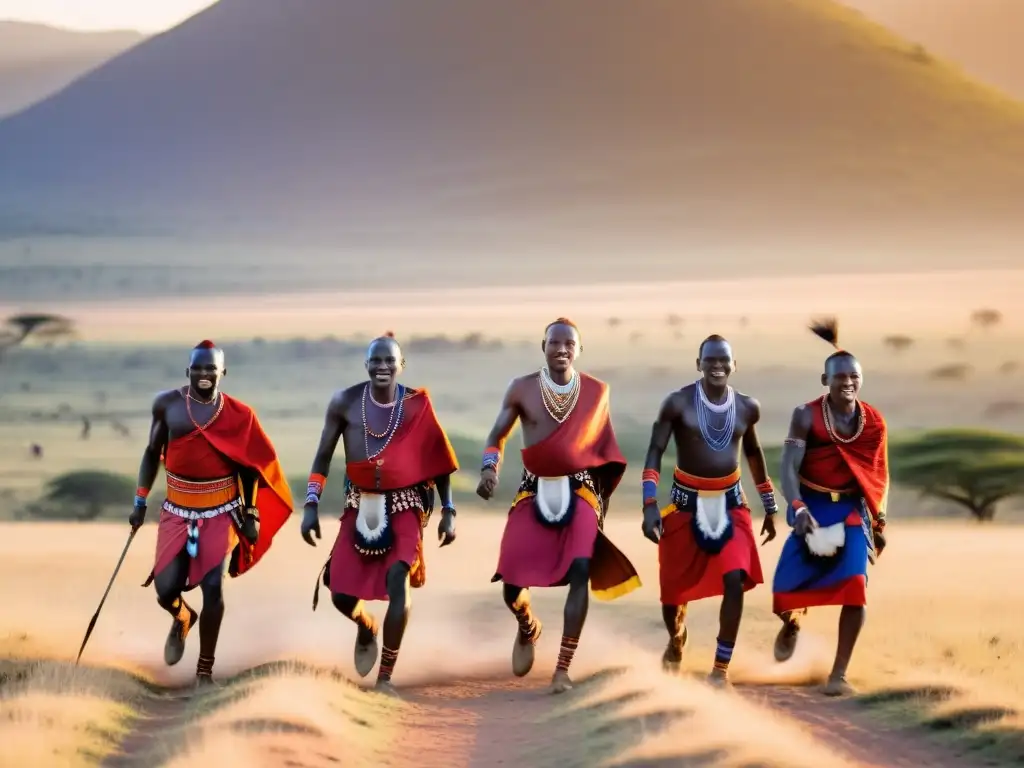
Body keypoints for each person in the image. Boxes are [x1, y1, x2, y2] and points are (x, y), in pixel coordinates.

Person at [478, 318, 641, 695]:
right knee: (511, 580)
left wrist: (601, 497)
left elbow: (603, 450)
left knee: (581, 567)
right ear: (543, 346)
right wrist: (490, 468)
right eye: (555, 342)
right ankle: (528, 626)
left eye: (570, 343)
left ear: (579, 350)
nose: (562, 348)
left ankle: (563, 669)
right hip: (533, 490)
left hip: (580, 490)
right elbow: (496, 435)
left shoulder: (598, 392)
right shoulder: (521, 388)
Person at [301, 333, 459, 695]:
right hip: (360, 503)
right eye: (376, 361)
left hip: (406, 504)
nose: (383, 367)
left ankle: (385, 676)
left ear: (401, 365)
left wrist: (448, 511)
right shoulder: (344, 402)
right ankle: (365, 625)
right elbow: (323, 455)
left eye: (390, 361)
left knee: (398, 579)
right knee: (339, 592)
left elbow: (439, 463)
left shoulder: (417, 406)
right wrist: (310, 504)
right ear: (366, 365)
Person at [130, 340, 294, 685]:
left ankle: (204, 670)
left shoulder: (240, 414)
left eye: (212, 369)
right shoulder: (168, 406)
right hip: (177, 507)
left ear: (223, 373)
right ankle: (182, 617)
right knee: (165, 589)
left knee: (213, 587)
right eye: (199, 368)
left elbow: (251, 467)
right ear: (188, 371)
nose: (205, 374)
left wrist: (251, 513)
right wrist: (140, 501)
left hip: (222, 509)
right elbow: (150, 452)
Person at [641, 335, 777, 687]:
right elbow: (655, 449)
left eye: (724, 360)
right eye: (711, 360)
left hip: (731, 505)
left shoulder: (748, 407)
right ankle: (676, 638)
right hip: (684, 506)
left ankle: (720, 669)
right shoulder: (676, 403)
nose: (718, 365)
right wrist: (649, 503)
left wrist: (769, 505)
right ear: (698, 363)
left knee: (735, 577)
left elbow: (754, 454)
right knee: (672, 596)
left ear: (735, 365)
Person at [771, 319, 889, 697]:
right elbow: (789, 466)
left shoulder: (873, 422)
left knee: (856, 586)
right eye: (840, 377)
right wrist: (798, 506)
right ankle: (791, 623)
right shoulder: (805, 415)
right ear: (825, 380)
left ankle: (838, 674)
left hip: (852, 512)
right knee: (784, 591)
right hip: (813, 505)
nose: (848, 383)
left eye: (854, 376)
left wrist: (879, 519)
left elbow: (877, 473)